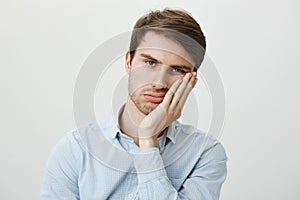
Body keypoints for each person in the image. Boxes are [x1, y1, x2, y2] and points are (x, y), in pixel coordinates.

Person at [40, 8, 227, 200]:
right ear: (129, 62)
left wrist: (148, 140)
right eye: (150, 63)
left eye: (177, 69)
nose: (159, 83)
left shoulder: (205, 154)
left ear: (192, 80)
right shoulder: (75, 150)